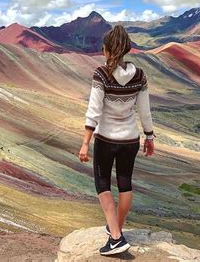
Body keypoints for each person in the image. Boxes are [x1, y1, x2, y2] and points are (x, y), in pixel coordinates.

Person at [79, 25, 155, 256]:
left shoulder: (101, 74)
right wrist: (149, 137)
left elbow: (94, 110)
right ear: (126, 49)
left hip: (106, 138)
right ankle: (117, 230)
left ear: (107, 50)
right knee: (125, 184)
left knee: (102, 185)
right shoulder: (140, 75)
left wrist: (85, 143)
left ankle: (115, 238)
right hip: (130, 139)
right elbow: (145, 111)